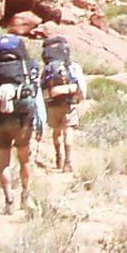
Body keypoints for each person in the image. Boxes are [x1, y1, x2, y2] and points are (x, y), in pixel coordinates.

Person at [0, 33, 40, 212]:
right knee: (24, 160)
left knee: (3, 162)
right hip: (21, 119)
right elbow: (35, 91)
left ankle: (8, 201)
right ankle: (25, 197)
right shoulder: (28, 66)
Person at [38, 34, 86, 172]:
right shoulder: (73, 67)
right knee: (68, 131)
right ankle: (67, 162)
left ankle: (58, 157)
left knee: (56, 132)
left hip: (52, 104)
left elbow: (42, 87)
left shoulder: (47, 69)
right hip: (69, 103)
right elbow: (82, 87)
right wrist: (80, 98)